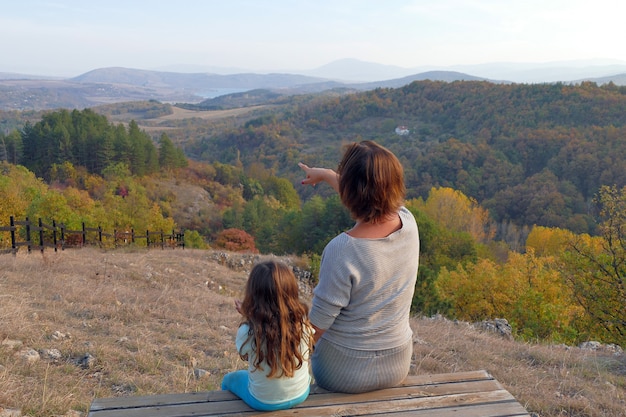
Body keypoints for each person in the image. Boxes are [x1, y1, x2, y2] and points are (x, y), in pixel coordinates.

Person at [299, 140, 420, 393]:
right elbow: (375, 199)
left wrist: (284, 358)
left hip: (343, 373)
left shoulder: (342, 250)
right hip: (397, 365)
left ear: (349, 191)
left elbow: (317, 326)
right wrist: (328, 176)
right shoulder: (409, 224)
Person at [221, 261, 314, 411]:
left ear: (253, 295)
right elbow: (280, 326)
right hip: (301, 394)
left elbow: (244, 352)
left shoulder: (248, 331)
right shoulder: (302, 322)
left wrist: (248, 316)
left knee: (228, 380)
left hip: (262, 401)